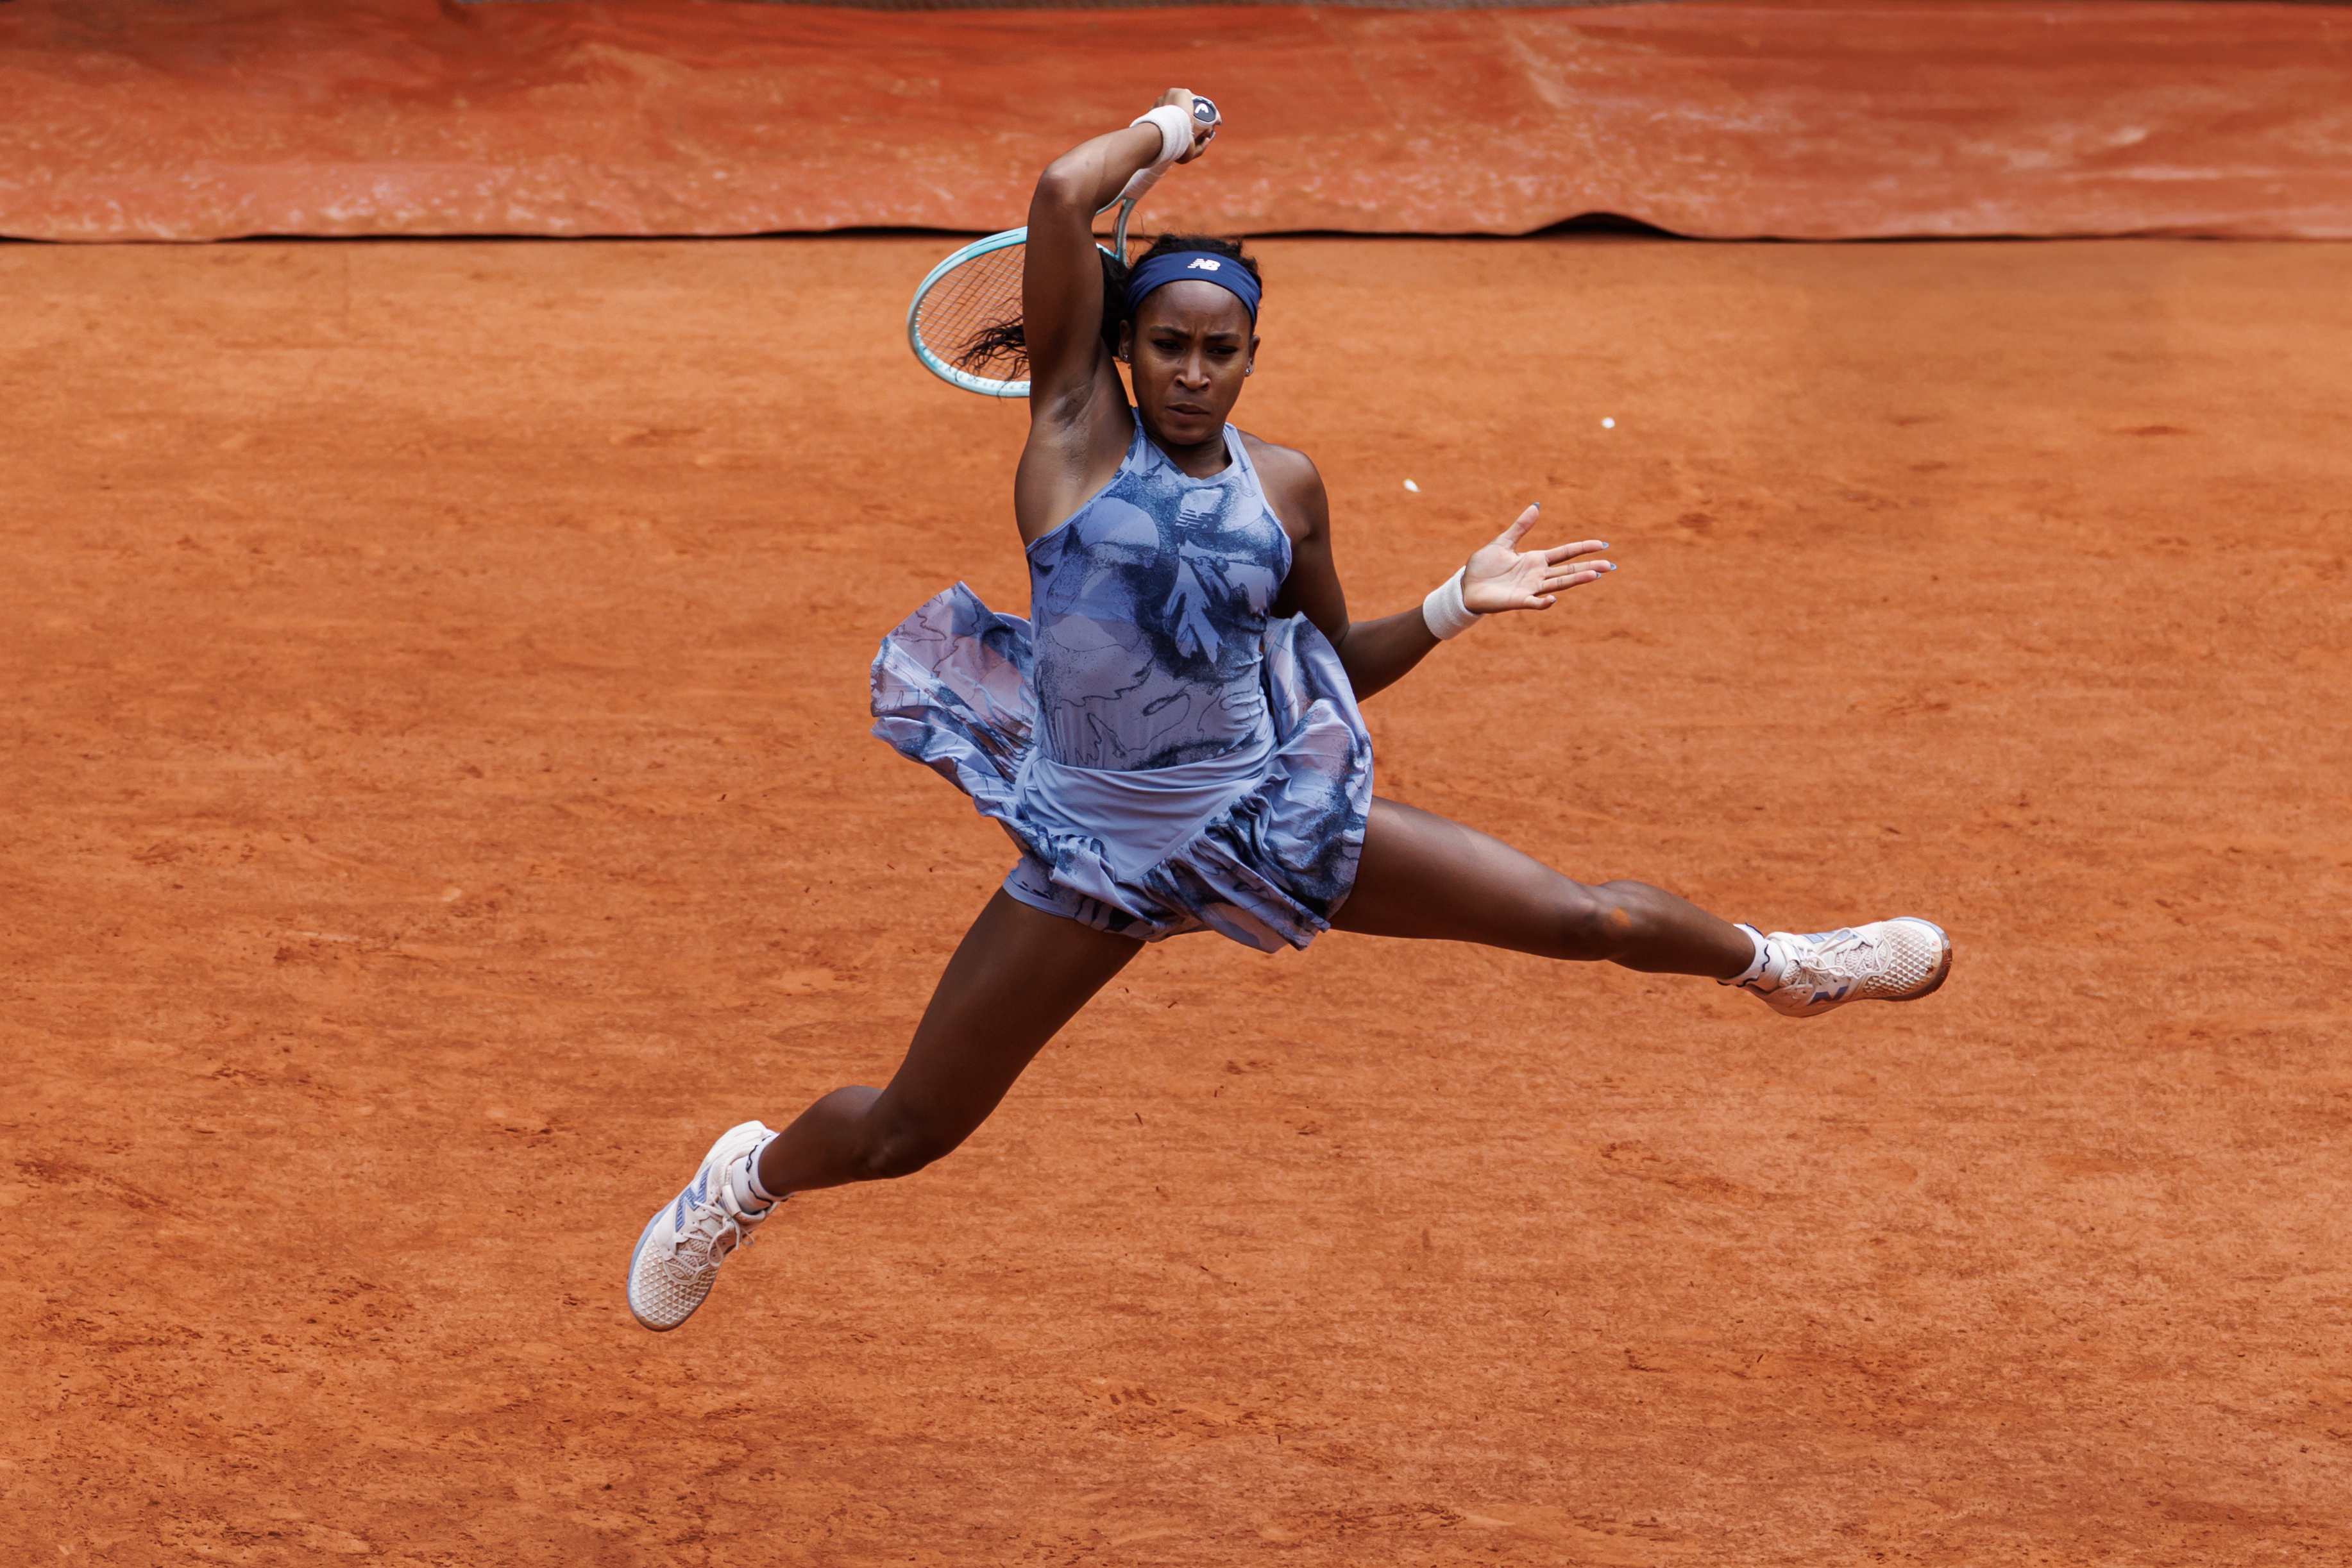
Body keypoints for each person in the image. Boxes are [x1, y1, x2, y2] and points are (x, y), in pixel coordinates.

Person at [626, 92, 1951, 1333]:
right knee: (913, 1126)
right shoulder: (1073, 437)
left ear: (1254, 353)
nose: (1194, 372)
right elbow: (1056, 190)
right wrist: (1165, 131)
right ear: (1121, 351)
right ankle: (746, 1183)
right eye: (1168, 345)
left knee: (1579, 915)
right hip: (1098, 845)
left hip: (1263, 809)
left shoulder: (1289, 486)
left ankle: (1785, 965)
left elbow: (1334, 660)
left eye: (1221, 348)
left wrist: (1451, 603)